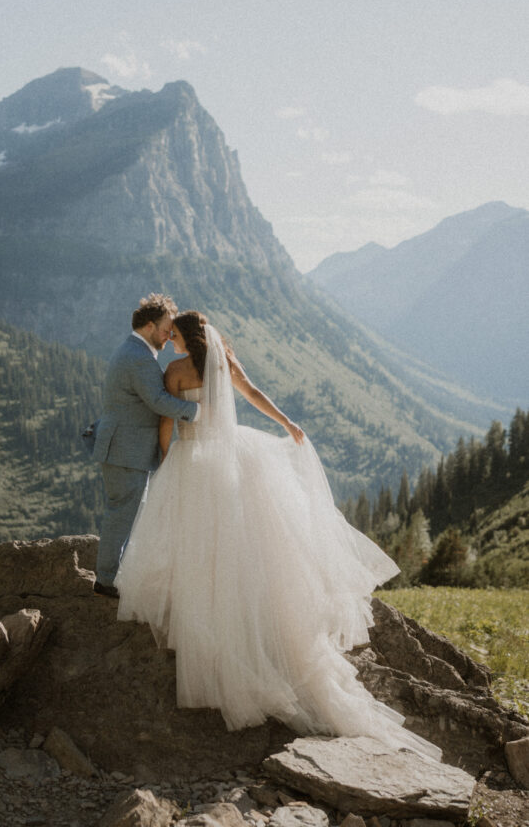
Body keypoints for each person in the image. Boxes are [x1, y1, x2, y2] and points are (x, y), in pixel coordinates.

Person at [114, 311, 441, 761]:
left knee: (196, 543)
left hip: (194, 459)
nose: (167, 339)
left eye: (173, 334)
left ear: (186, 339)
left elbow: (168, 426)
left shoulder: (173, 372)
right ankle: (259, 619)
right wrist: (288, 424)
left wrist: (173, 464)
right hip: (230, 456)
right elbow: (254, 395)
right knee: (245, 539)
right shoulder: (226, 362)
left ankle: (207, 618)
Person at [92, 294, 200, 598]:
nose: (169, 336)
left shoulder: (135, 352)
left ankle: (112, 576)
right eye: (166, 329)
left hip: (126, 447)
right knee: (122, 514)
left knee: (127, 512)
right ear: (150, 325)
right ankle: (106, 581)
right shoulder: (138, 357)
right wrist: (197, 411)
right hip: (126, 450)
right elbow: (158, 401)